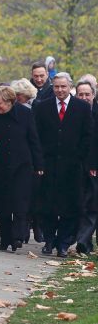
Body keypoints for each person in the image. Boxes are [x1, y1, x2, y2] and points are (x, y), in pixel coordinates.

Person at [34, 73, 93, 257]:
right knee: (47, 206)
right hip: (48, 165)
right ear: (53, 87)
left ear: (70, 87)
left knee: (70, 206)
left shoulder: (81, 107)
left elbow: (87, 136)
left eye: (63, 87)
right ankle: (49, 241)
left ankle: (63, 242)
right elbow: (36, 135)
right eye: (57, 87)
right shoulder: (42, 107)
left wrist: (80, 159)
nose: (60, 90)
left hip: (72, 166)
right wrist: (40, 161)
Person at [0, 87, 44, 252]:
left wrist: (39, 165)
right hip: (0, 164)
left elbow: (33, 139)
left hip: (22, 165)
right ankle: (5, 239)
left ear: (10, 102)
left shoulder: (25, 114)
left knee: (20, 202)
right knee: (3, 204)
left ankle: (17, 237)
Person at [75, 81, 98, 254]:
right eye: (81, 94)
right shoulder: (75, 112)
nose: (84, 97)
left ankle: (83, 240)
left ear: (93, 95)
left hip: (93, 166)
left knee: (92, 204)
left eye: (87, 94)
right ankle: (84, 241)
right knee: (85, 204)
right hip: (78, 165)